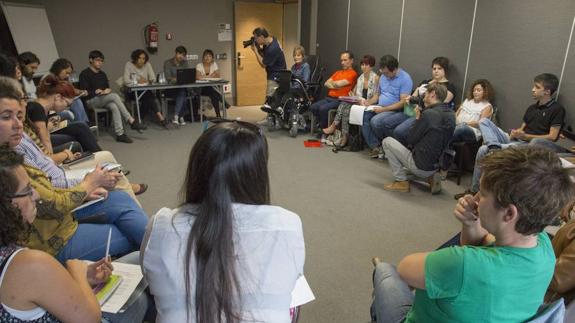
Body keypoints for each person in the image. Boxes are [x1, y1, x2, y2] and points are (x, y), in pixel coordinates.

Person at [371, 146, 575, 322]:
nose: (475, 199)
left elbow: (406, 269)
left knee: (386, 271)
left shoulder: (462, 264)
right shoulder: (543, 246)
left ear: (509, 213)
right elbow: (481, 244)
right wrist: (470, 223)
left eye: (483, 194)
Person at [142, 120, 305, 323]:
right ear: (257, 174)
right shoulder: (288, 224)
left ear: (197, 169)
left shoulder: (161, 225)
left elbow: (150, 277)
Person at [0, 76, 148, 263]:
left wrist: (85, 190)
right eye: (6, 117)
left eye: (19, 116)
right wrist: (87, 185)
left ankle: (159, 258)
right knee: (131, 232)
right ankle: (162, 258)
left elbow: (45, 186)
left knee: (121, 199)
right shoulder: (9, 165)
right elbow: (49, 204)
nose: (18, 124)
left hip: (60, 218)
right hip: (53, 239)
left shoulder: (13, 146)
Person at [0, 144, 149, 323]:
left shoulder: (13, 255)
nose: (37, 195)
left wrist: (83, 277)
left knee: (139, 259)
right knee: (141, 293)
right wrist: (77, 271)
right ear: (5, 205)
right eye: (27, 191)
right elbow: (90, 319)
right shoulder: (29, 262)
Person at [462, 73, 565, 196]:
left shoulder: (557, 109)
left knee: (483, 150)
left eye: (537, 87)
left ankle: (491, 151)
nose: (533, 90)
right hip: (517, 140)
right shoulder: (532, 108)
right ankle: (493, 148)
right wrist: (517, 133)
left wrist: (527, 137)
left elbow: (552, 136)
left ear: (547, 91)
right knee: (484, 121)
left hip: (529, 146)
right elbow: (522, 129)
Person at [382, 83, 455, 194]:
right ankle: (430, 177)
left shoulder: (428, 114)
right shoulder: (451, 114)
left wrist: (417, 118)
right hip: (438, 164)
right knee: (407, 171)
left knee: (387, 141)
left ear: (433, 94)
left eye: (425, 94)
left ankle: (401, 182)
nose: (423, 97)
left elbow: (411, 139)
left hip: (422, 164)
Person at [79, 50, 146, 143]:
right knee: (114, 96)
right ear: (91, 60)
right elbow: (83, 91)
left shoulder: (102, 74)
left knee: (114, 105)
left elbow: (107, 88)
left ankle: (120, 134)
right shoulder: (84, 74)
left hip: (103, 99)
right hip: (91, 100)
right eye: (98, 60)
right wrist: (95, 91)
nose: (100, 63)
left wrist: (107, 90)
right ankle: (131, 120)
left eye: (102, 61)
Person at [28, 74, 102, 153]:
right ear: (58, 97)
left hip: (36, 143)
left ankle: (99, 157)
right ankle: (100, 157)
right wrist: (52, 162)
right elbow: (45, 140)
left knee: (80, 128)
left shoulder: (42, 107)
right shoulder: (38, 108)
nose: (66, 107)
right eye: (67, 104)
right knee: (78, 136)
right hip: (34, 148)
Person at [394, 57, 456, 145]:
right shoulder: (426, 82)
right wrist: (410, 100)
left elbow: (439, 104)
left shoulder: (449, 87)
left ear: (445, 70)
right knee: (382, 123)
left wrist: (419, 101)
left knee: (399, 131)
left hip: (426, 116)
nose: (436, 71)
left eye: (439, 68)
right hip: (411, 111)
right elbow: (413, 97)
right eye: (434, 68)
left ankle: (406, 150)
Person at [362, 55, 413, 158]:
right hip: (380, 106)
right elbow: (377, 95)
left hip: (396, 110)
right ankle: (376, 146)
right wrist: (369, 102)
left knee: (376, 121)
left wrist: (383, 109)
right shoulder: (383, 77)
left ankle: (388, 146)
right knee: (363, 115)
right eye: (383, 72)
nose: (384, 75)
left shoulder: (405, 78)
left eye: (386, 73)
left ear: (394, 70)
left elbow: (403, 102)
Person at [322, 54, 379, 147]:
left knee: (345, 107)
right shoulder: (360, 78)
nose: (364, 67)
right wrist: (352, 95)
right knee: (344, 106)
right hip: (360, 102)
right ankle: (344, 135)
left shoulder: (376, 78)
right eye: (362, 65)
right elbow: (354, 92)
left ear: (371, 66)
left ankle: (335, 128)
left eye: (366, 65)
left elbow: (377, 95)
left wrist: (368, 102)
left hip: (370, 104)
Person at [309, 51, 358, 130]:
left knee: (322, 109)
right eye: (341, 60)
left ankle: (323, 129)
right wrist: (336, 85)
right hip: (329, 97)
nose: (342, 62)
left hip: (339, 100)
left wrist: (333, 84)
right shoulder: (338, 72)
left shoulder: (353, 74)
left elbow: (338, 84)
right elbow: (326, 83)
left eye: (345, 60)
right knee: (313, 107)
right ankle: (321, 124)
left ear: (351, 61)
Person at [123, 49, 169, 128]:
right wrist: (137, 81)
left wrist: (146, 81)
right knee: (148, 96)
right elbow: (126, 80)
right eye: (140, 58)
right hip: (131, 92)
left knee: (147, 97)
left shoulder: (147, 65)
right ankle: (160, 117)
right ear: (135, 58)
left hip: (144, 91)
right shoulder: (129, 65)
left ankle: (138, 119)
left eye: (143, 58)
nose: (142, 60)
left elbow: (153, 79)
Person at [451, 79, 494, 144]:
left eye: (478, 90)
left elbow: (480, 123)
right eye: (474, 90)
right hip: (457, 126)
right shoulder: (467, 100)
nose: (475, 92)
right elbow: (456, 114)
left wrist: (465, 124)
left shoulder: (487, 106)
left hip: (473, 131)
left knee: (462, 128)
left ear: (485, 92)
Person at [49, 58, 90, 123]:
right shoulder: (50, 79)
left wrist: (81, 92)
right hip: (55, 107)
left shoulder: (65, 79)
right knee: (76, 102)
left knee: (77, 100)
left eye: (69, 73)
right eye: (66, 73)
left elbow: (72, 90)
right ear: (59, 69)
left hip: (64, 103)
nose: (68, 75)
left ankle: (83, 124)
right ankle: (83, 124)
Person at [250, 27, 287, 98]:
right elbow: (265, 55)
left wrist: (255, 51)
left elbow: (263, 64)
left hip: (276, 77)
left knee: (269, 101)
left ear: (261, 37)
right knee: (275, 100)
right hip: (278, 75)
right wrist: (258, 48)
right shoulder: (271, 40)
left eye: (256, 38)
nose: (255, 40)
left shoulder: (272, 48)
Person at [164, 45, 192, 125]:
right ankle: (180, 117)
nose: (181, 56)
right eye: (179, 54)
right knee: (183, 94)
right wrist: (178, 79)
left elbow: (187, 76)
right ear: (175, 53)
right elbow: (168, 78)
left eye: (183, 55)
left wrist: (177, 79)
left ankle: (176, 116)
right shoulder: (168, 63)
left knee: (182, 92)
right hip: (170, 89)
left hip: (182, 87)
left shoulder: (185, 63)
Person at [195, 49, 228, 118]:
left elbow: (218, 75)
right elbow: (197, 77)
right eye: (206, 56)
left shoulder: (214, 64)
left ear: (212, 58)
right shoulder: (199, 65)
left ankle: (218, 115)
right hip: (202, 89)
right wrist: (210, 76)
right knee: (212, 91)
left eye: (209, 56)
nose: (207, 57)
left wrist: (204, 76)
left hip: (213, 88)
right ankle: (224, 103)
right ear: (203, 57)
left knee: (213, 93)